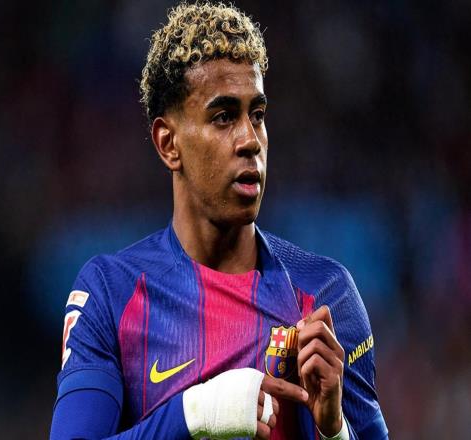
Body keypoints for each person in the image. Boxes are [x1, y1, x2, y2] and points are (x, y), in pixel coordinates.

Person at [50, 2, 388, 439]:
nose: (250, 140)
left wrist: (333, 430)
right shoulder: (110, 294)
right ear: (168, 144)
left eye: (257, 115)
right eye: (224, 117)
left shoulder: (325, 294)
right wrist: (199, 413)